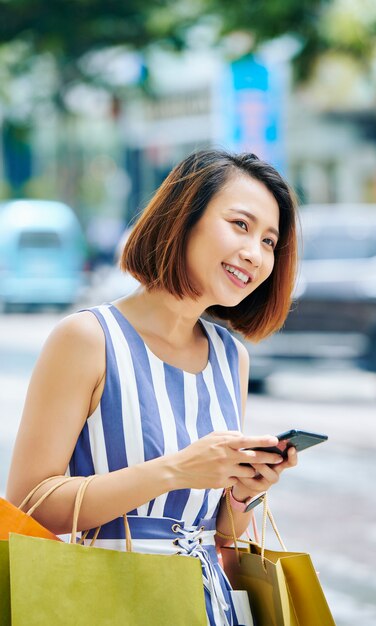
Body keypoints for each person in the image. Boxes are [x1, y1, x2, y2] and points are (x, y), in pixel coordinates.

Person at [7, 149, 299, 625]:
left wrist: (244, 492)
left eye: (270, 241)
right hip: (107, 602)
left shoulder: (231, 357)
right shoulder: (88, 338)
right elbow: (30, 503)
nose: (256, 253)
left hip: (207, 606)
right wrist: (175, 470)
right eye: (241, 225)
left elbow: (219, 532)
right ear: (184, 217)